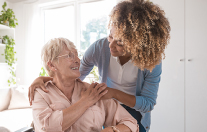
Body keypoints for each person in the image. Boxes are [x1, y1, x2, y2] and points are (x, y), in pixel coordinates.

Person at [29, 0, 170, 132]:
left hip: (132, 108)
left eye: (120, 43)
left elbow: (148, 103)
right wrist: (44, 78)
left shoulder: (151, 61)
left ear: (137, 45)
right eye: (110, 36)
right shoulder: (99, 48)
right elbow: (74, 74)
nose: (111, 45)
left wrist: (113, 93)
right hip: (104, 101)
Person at [32, 37, 138, 132]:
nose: (78, 60)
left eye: (77, 55)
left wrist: (114, 130)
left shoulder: (94, 91)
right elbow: (48, 128)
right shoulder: (41, 94)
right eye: (70, 56)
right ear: (52, 65)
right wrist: (85, 102)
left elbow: (131, 123)